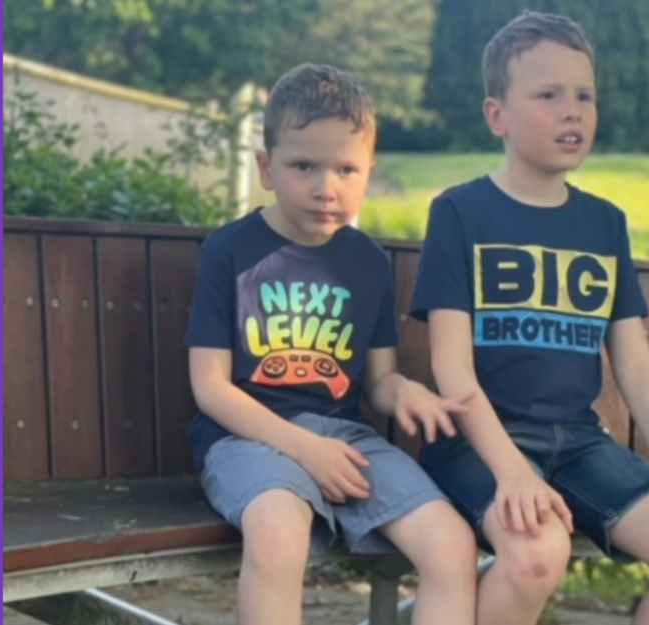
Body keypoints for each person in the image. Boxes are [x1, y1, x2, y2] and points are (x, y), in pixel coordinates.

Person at [409, 12, 649, 625]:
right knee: (537, 552)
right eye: (549, 95)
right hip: (479, 443)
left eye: (584, 96)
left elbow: (634, 360)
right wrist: (512, 472)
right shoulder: (459, 212)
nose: (573, 112)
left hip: (579, 444)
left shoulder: (604, 224)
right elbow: (451, 368)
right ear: (497, 116)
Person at [186, 63, 477, 625]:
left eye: (347, 169)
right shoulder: (230, 252)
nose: (327, 188)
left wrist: (406, 393)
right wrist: (302, 448)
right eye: (304, 166)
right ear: (267, 169)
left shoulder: (367, 261)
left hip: (344, 438)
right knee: (277, 532)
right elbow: (211, 388)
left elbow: (380, 380)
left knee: (451, 545)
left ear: (368, 172)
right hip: (247, 437)